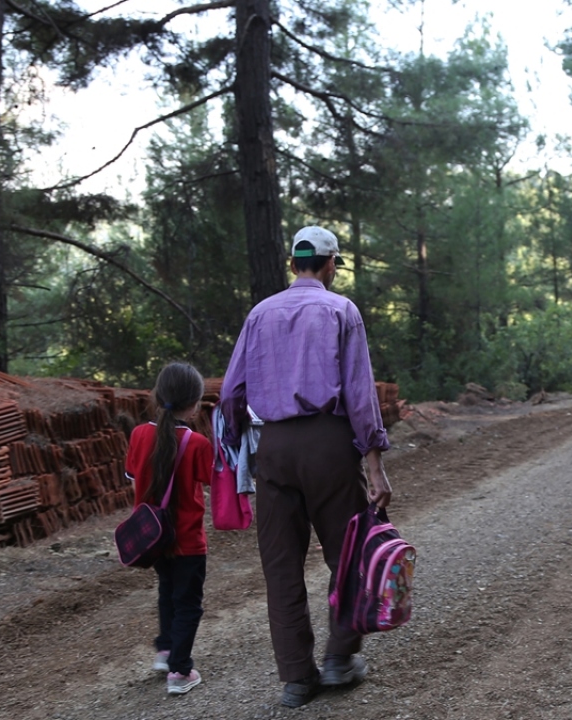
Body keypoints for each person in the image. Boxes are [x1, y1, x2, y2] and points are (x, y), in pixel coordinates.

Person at [221, 226, 393, 708]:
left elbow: (231, 394)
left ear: (293, 263)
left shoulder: (259, 313)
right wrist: (375, 464)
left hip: (273, 450)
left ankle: (297, 678)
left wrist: (239, 453)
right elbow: (360, 395)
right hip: (329, 446)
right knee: (348, 554)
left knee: (281, 566)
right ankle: (340, 659)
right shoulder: (341, 310)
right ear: (330, 263)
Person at [125, 362, 213, 696]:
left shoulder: (138, 434)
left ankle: (165, 651)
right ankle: (180, 670)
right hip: (188, 540)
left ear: (159, 396)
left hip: (153, 537)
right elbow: (212, 480)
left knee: (167, 592)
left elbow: (131, 477)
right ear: (194, 405)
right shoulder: (198, 443)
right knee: (188, 603)